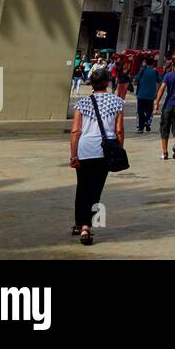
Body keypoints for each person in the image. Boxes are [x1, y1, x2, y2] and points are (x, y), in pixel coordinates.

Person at [69, 65, 124, 245]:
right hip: (104, 151)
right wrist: (118, 149)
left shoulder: (82, 103)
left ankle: (79, 224)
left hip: (84, 149)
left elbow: (75, 131)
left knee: (82, 187)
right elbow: (119, 130)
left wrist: (73, 155)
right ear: (108, 82)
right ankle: (87, 226)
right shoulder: (117, 102)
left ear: (91, 83)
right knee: (95, 190)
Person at [133, 57, 160, 132]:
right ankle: (146, 121)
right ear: (153, 63)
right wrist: (157, 91)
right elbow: (159, 80)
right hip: (151, 95)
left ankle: (141, 127)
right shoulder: (155, 72)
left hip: (141, 94)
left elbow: (136, 79)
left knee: (140, 111)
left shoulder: (142, 70)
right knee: (149, 111)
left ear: (146, 63)